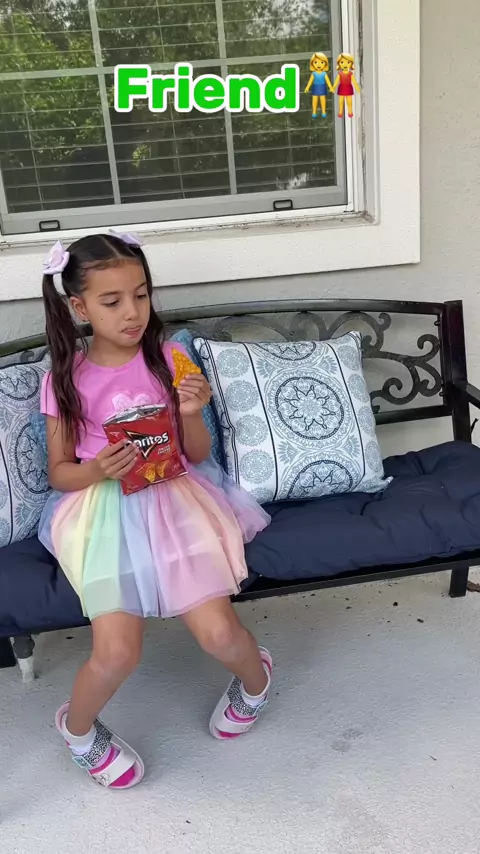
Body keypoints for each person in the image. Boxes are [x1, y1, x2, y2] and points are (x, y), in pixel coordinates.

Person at [38, 230, 272, 789]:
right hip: (103, 514)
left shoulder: (169, 359)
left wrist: (190, 412)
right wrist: (98, 469)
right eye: (112, 301)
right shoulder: (65, 379)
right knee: (117, 652)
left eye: (141, 295)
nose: (132, 312)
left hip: (177, 501)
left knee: (220, 635)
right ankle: (77, 731)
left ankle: (256, 681)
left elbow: (197, 454)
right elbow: (60, 472)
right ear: (80, 308)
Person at [331, 53, 361, 118]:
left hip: (348, 88)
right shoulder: (340, 74)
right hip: (342, 88)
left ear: (351, 64)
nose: (345, 64)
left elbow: (354, 82)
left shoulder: (350, 74)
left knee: (349, 101)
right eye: (342, 62)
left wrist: (357, 88)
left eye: (348, 62)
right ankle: (340, 111)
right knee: (341, 101)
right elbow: (336, 82)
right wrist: (333, 88)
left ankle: (350, 111)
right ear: (339, 64)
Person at [304, 52, 333, 118]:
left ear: (325, 64)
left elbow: (328, 81)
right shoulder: (313, 74)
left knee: (323, 99)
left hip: (322, 87)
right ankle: (314, 111)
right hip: (315, 87)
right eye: (316, 62)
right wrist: (307, 87)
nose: (319, 64)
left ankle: (323, 111)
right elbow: (310, 81)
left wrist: (330, 87)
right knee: (315, 99)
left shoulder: (324, 73)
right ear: (312, 64)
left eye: (322, 62)